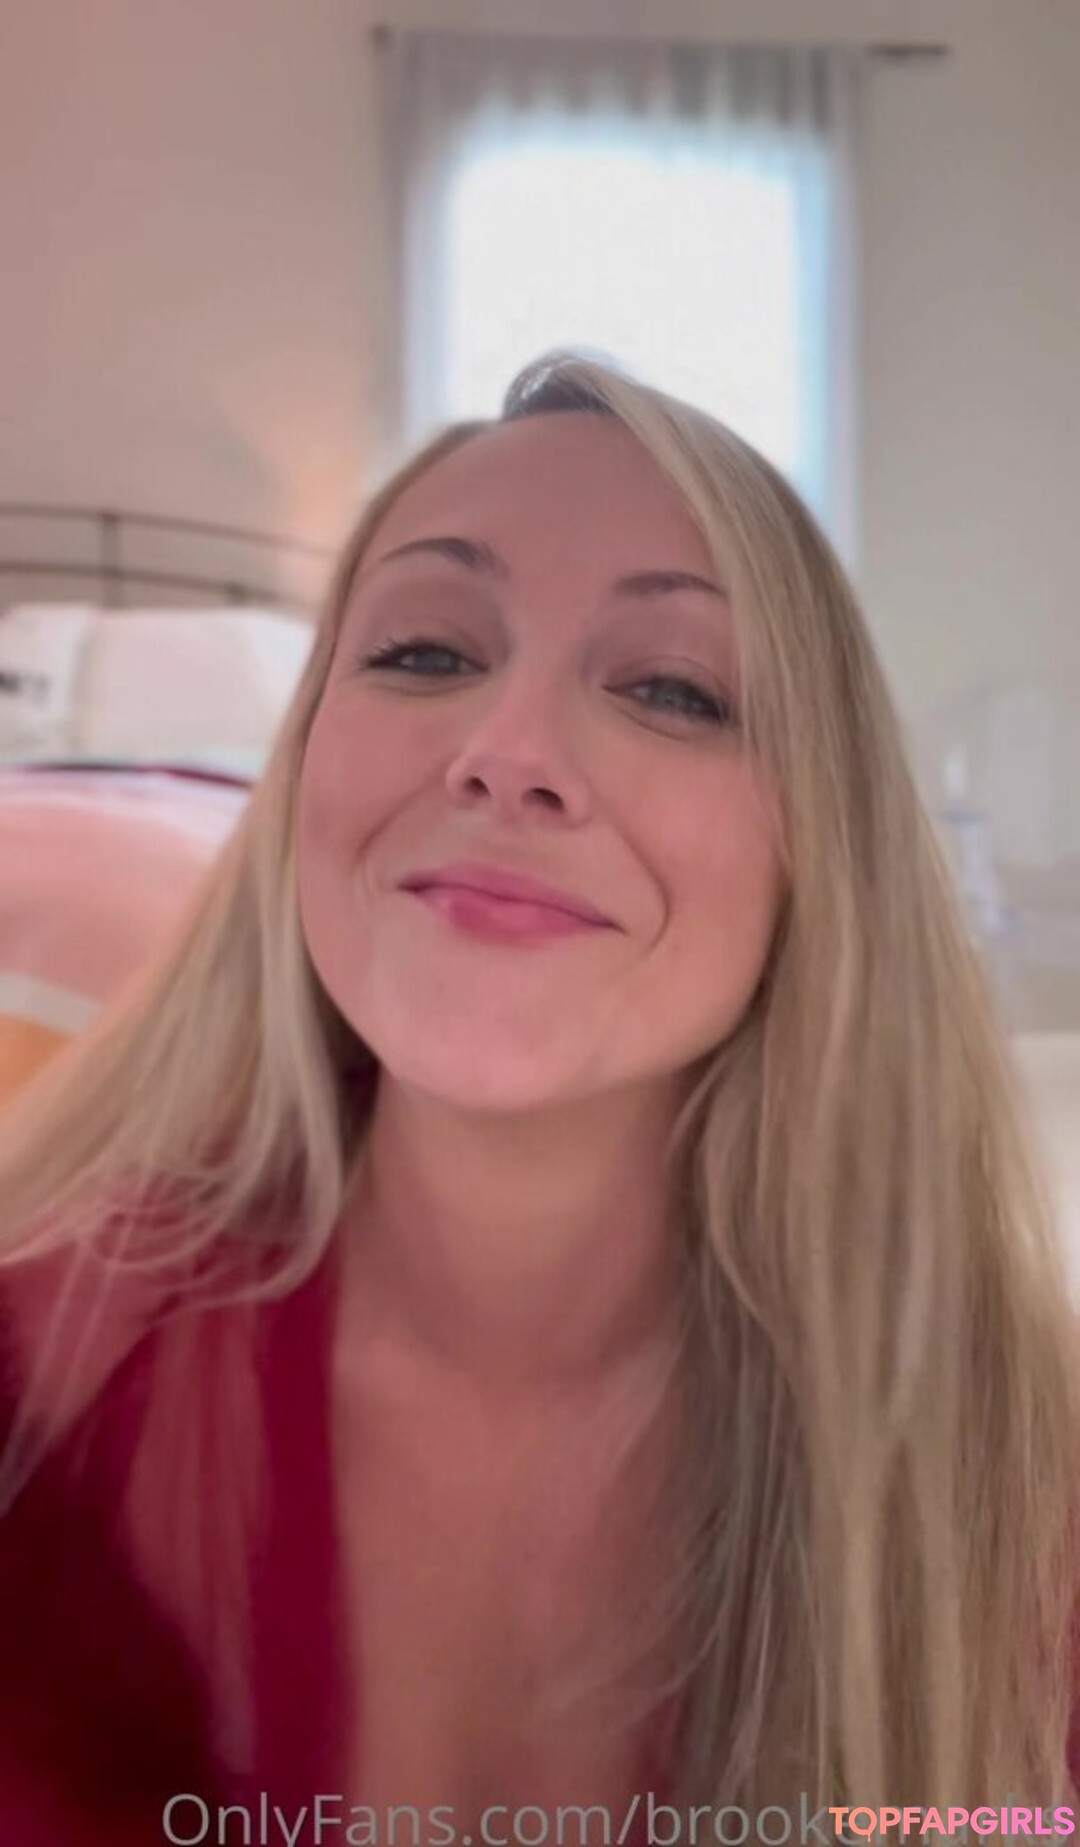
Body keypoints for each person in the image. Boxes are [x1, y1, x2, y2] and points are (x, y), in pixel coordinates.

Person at [0, 350, 1077, 1843]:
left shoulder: (1019, 1496)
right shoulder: (39, 1383)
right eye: (424, 653)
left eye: (674, 688)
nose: (505, 757)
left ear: (821, 848)